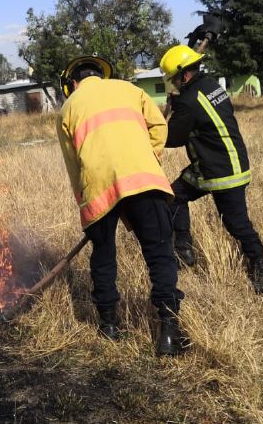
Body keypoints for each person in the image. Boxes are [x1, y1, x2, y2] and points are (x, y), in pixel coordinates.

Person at [56, 54, 188, 356]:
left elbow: (73, 164)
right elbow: (159, 127)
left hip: (98, 186)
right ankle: (169, 330)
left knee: (103, 255)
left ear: (73, 83)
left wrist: (84, 201)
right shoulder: (131, 90)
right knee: (159, 253)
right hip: (143, 178)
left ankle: (109, 325)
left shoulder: (68, 107)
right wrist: (148, 156)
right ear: (99, 76)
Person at [158, 44, 263, 294]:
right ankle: (184, 249)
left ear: (184, 75)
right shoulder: (211, 86)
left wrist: (155, 129)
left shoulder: (188, 101)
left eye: (174, 79)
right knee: (172, 194)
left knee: (236, 223)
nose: (173, 84)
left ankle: (259, 266)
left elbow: (173, 137)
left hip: (221, 170)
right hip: (221, 162)